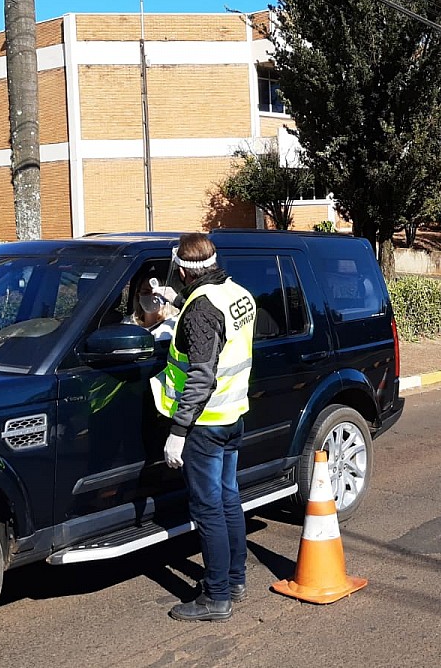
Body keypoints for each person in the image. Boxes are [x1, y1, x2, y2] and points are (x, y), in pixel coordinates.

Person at [152, 233, 256, 622]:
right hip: (232, 418)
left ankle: (216, 598)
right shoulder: (236, 293)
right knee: (228, 499)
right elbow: (214, 325)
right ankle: (235, 579)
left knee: (208, 508)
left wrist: (178, 431)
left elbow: (201, 375)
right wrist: (174, 300)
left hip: (205, 425)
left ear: (182, 269)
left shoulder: (201, 311)